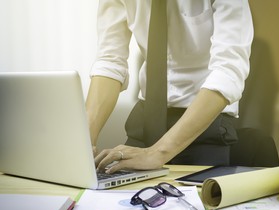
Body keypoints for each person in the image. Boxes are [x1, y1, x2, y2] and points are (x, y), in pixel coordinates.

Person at [87, 0, 254, 173]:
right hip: (145, 121)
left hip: (204, 126)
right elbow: (110, 62)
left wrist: (157, 153)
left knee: (194, 197)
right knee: (109, 191)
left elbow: (228, 71)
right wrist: (84, 141)